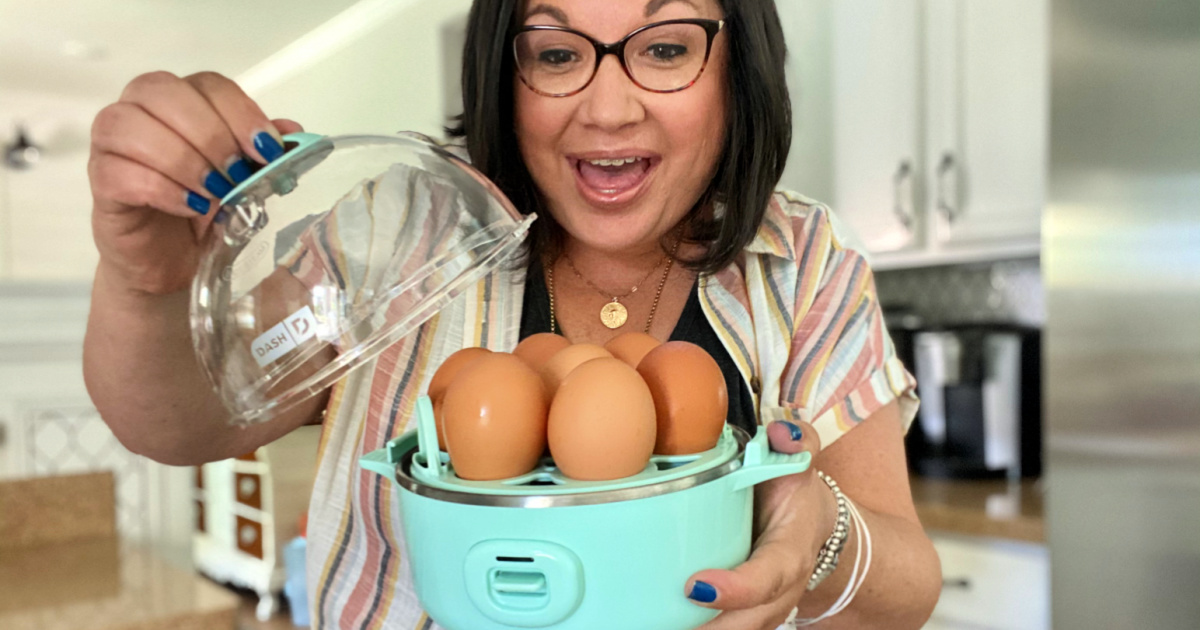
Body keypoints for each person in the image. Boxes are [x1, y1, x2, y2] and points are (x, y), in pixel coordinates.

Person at [83, 0, 942, 627]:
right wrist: (150, 280)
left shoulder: (804, 260)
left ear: (737, 71)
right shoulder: (403, 230)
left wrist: (822, 527)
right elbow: (184, 425)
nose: (607, 109)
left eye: (668, 46)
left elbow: (908, 589)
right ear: (507, 70)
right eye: (558, 54)